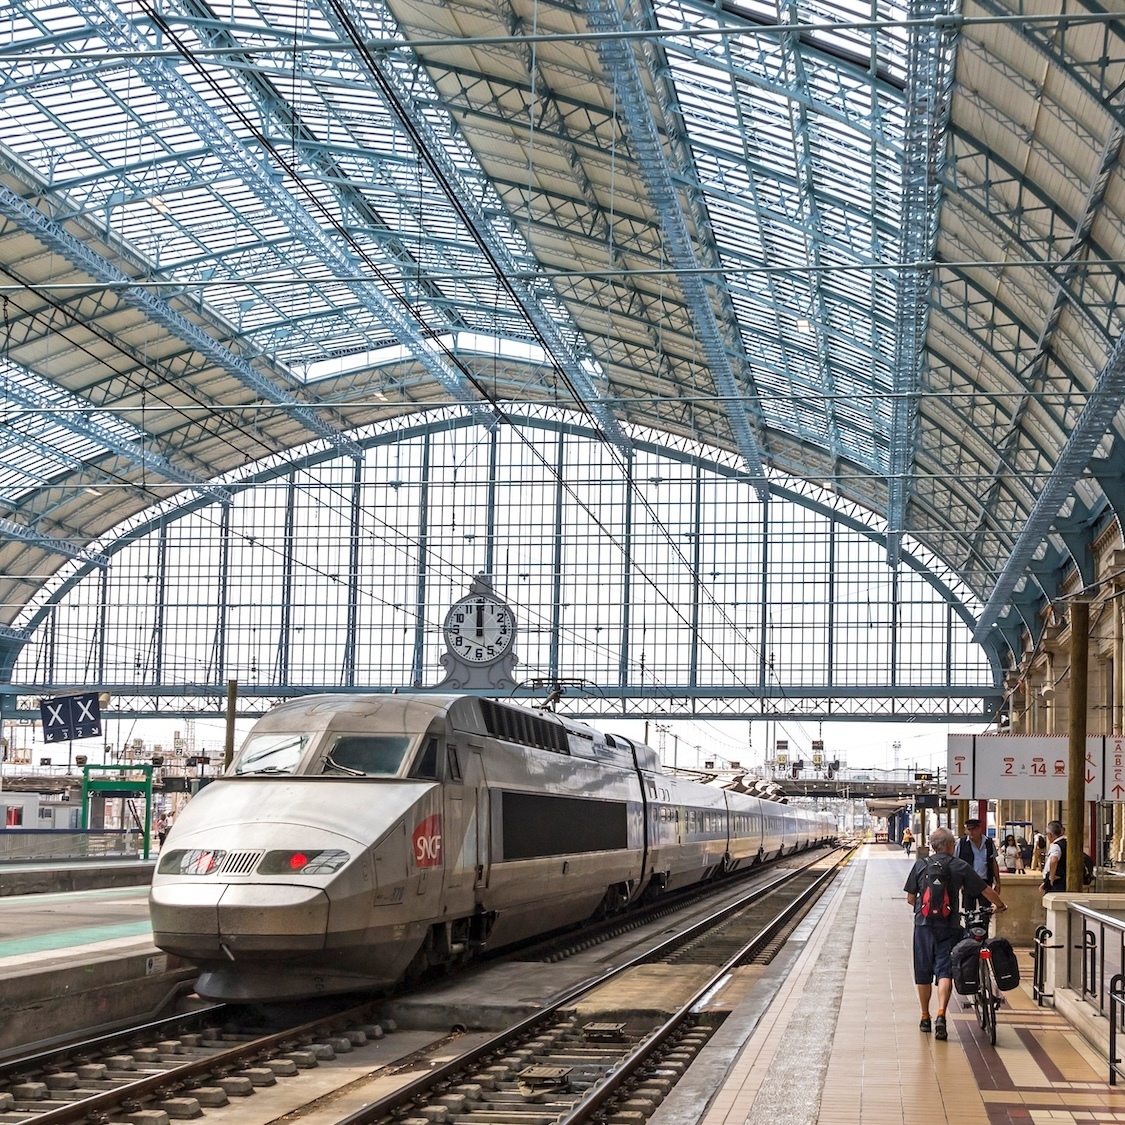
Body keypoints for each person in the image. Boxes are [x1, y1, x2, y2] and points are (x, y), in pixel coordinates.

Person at [906, 826, 1007, 1040]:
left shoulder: (920, 865)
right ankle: (941, 1014)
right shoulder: (958, 865)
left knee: (923, 972)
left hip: (923, 927)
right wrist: (1000, 904)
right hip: (949, 926)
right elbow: (985, 889)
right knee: (945, 971)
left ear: (933, 846)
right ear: (951, 845)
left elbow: (910, 899)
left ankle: (925, 1016)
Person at [956, 817, 1001, 911]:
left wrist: (998, 882)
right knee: (969, 913)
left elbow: (993, 862)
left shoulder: (988, 842)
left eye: (974, 829)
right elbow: (956, 863)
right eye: (969, 829)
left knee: (985, 912)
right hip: (968, 883)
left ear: (979, 829)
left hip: (985, 882)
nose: (971, 832)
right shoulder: (961, 843)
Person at [1040, 820, 1066, 893]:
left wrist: (1051, 877)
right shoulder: (1066, 843)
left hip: (1057, 883)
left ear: (1050, 835)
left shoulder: (1056, 846)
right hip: (1061, 881)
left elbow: (1053, 860)